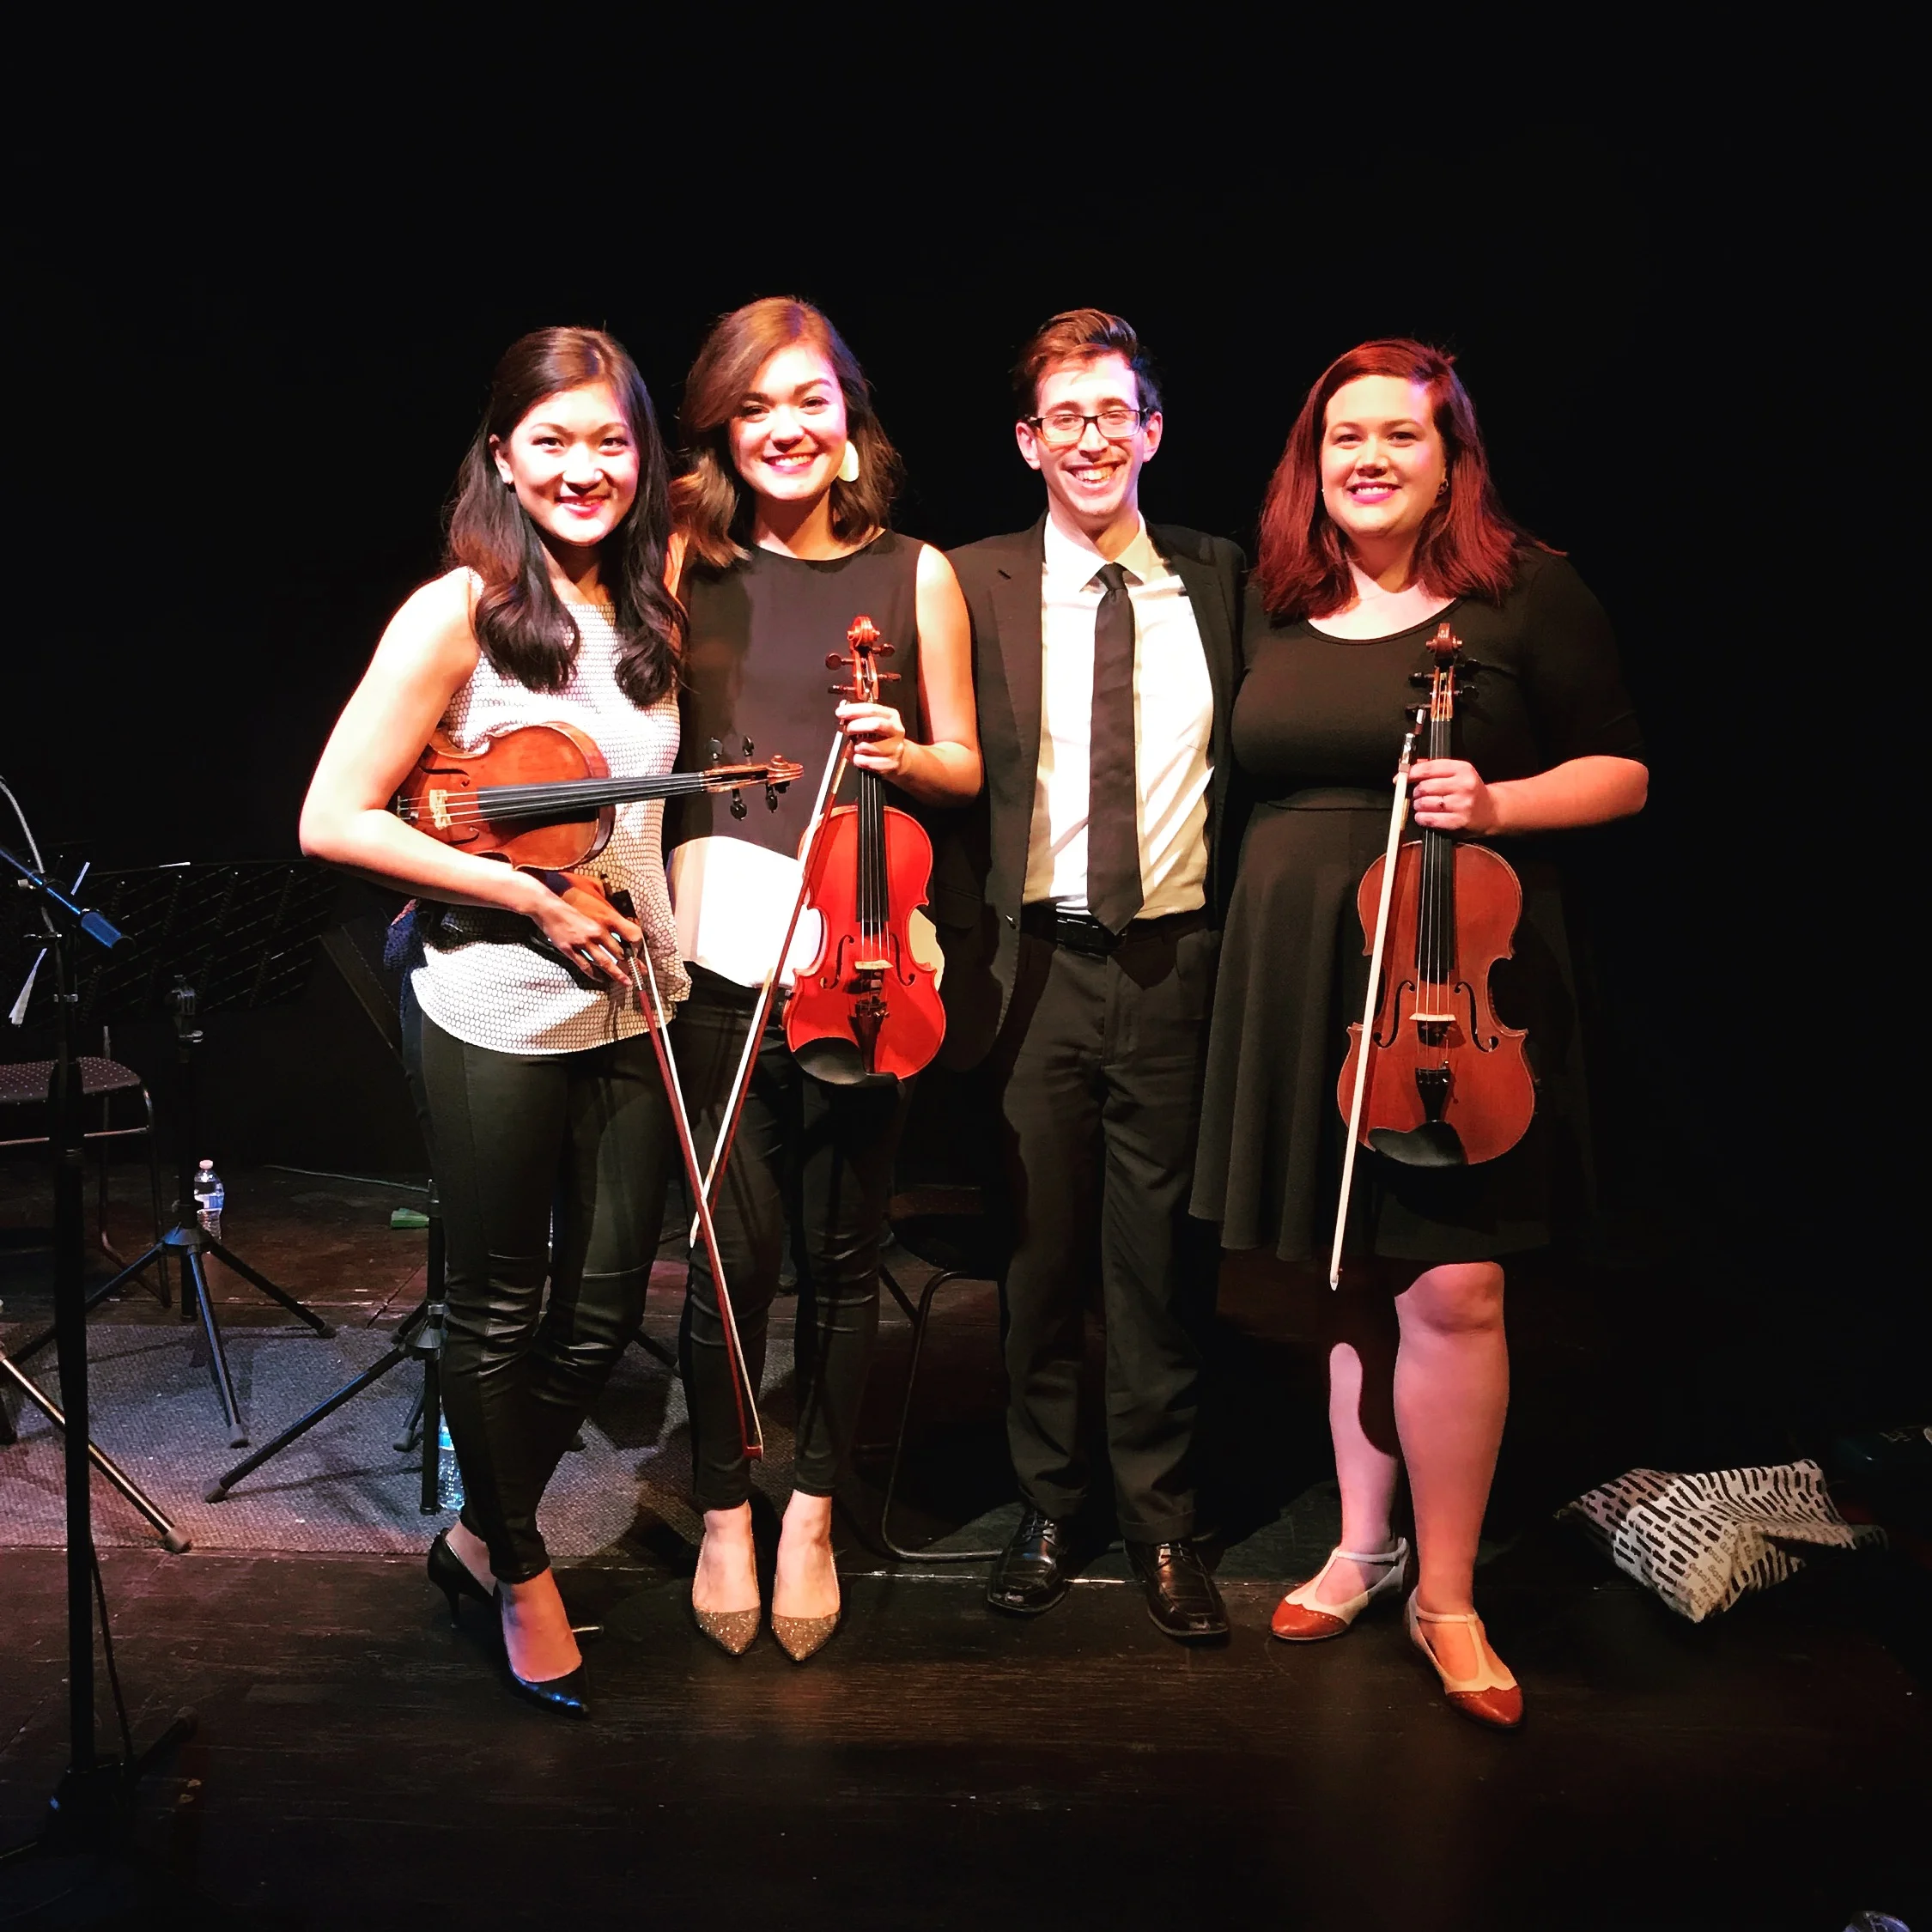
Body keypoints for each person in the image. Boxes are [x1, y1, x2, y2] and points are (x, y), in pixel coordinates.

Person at [1191, 339, 1648, 1727]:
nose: (1369, 457)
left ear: (1452, 462)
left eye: (1401, 434)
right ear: (1311, 461)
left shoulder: (1526, 594)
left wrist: (1498, 803)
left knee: (1452, 1286)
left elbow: (1622, 770)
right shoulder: (1274, 600)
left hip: (1448, 979)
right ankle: (1360, 1545)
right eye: (1344, 436)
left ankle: (1445, 1593)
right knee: (1341, 1272)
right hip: (1300, 971)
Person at [301, 327, 691, 1719]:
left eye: (611, 441)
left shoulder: (655, 604)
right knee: (499, 1304)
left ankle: (473, 1533)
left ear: (643, 457)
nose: (584, 468)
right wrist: (528, 894)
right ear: (504, 459)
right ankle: (521, 1570)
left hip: (632, 995)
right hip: (490, 1003)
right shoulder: (456, 610)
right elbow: (334, 817)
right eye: (554, 441)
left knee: (604, 1308)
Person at [666, 297, 980, 1662]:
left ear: (848, 418)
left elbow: (962, 763)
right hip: (713, 945)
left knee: (844, 1261)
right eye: (753, 406)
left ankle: (811, 1512)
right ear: (722, 429)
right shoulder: (684, 556)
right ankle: (721, 1511)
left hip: (856, 953)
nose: (783, 428)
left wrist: (900, 750)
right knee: (726, 1262)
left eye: (808, 400)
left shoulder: (917, 573)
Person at [935, 310, 1243, 1642]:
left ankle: (1162, 1521)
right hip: (1035, 966)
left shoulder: (1221, 579)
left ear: (1152, 429)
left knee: (1160, 1263)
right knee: (1040, 1256)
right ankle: (1050, 1505)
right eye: (1064, 417)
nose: (1090, 438)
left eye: (1113, 413)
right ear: (1027, 441)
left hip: (1175, 964)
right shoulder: (968, 581)